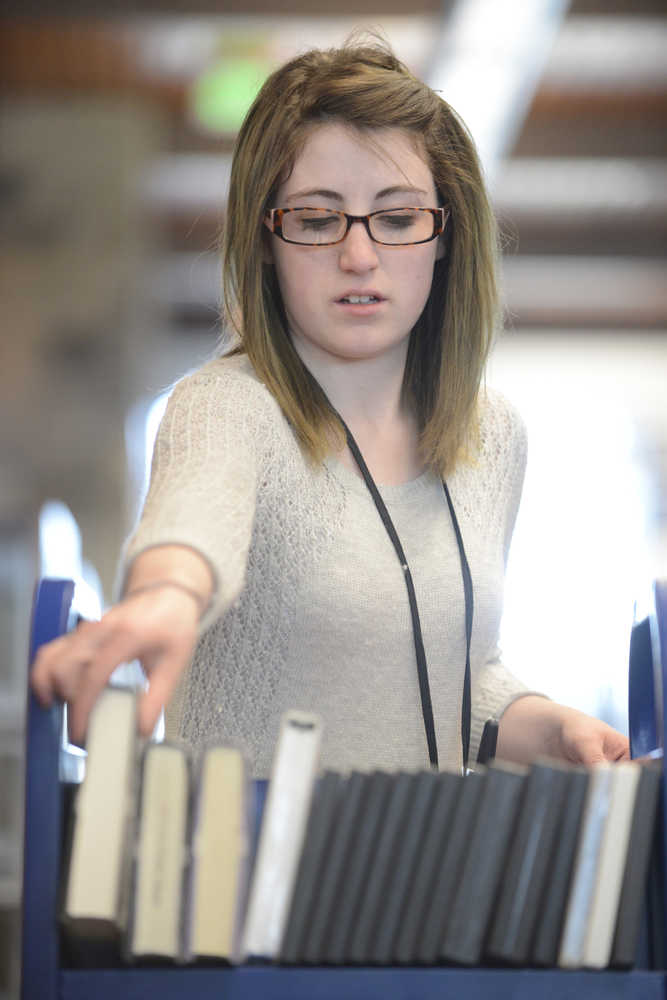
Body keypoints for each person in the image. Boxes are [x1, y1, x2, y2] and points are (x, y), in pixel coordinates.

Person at [31, 41, 629, 776]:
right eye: (316, 221)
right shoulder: (226, 407)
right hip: (241, 876)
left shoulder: (491, 434)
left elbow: (452, 677)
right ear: (266, 240)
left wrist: (554, 729)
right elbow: (188, 539)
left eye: (398, 217)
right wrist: (166, 597)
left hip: (411, 877)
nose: (358, 256)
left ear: (445, 235)